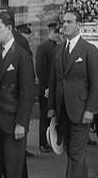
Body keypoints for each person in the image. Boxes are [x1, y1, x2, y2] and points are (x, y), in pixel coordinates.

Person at [47, 9, 98, 178]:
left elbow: (96, 83)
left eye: (69, 22)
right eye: (64, 22)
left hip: (81, 111)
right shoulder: (59, 49)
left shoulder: (89, 50)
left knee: (76, 157)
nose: (65, 25)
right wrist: (51, 108)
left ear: (79, 25)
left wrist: (90, 110)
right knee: (73, 155)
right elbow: (54, 80)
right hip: (62, 111)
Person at [0, 8, 35, 178]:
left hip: (14, 124)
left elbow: (27, 93)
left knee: (13, 171)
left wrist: (22, 123)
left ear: (9, 29)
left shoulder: (22, 56)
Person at [35, 22, 62, 153]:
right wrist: (45, 86)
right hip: (46, 89)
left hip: (57, 88)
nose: (56, 35)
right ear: (49, 32)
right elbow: (40, 68)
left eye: (57, 32)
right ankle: (42, 143)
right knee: (45, 116)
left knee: (56, 116)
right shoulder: (42, 47)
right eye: (54, 32)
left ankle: (55, 141)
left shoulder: (60, 47)